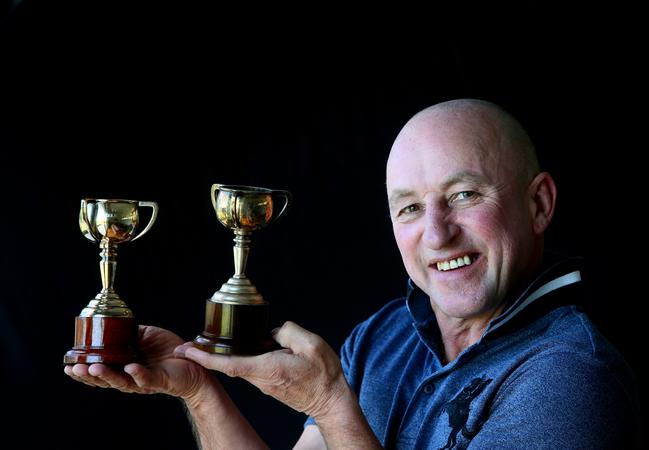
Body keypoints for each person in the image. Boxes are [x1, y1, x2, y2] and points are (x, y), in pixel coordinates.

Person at [65, 99, 640, 449]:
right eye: (410, 207)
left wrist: (331, 404)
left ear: (539, 205)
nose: (437, 234)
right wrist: (198, 391)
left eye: (464, 195)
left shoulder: (570, 375)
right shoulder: (383, 335)